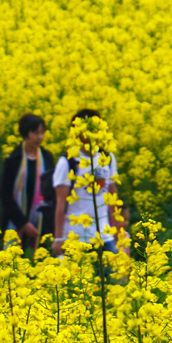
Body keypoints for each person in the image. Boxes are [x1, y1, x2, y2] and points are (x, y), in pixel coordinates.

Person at [51, 109, 119, 257]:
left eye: (95, 129)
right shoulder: (68, 161)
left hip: (104, 235)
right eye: (87, 130)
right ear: (76, 133)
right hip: (76, 236)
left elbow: (113, 197)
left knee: (112, 271)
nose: (92, 134)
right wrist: (58, 238)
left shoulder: (107, 157)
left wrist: (118, 231)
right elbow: (60, 202)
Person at [0, 113, 58, 253]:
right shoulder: (13, 159)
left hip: (41, 221)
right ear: (25, 134)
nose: (40, 137)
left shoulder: (47, 157)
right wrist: (23, 223)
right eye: (35, 133)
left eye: (42, 133)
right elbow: (6, 195)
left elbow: (51, 191)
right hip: (15, 220)